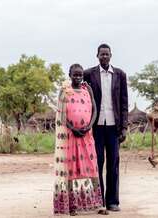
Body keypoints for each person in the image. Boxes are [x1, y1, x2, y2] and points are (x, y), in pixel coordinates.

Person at [53, 64, 107, 216]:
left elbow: (95, 109)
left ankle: (98, 204)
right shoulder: (65, 91)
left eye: (80, 75)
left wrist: (89, 126)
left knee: (92, 167)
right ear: (69, 75)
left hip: (87, 135)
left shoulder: (87, 89)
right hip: (71, 137)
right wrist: (74, 128)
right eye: (75, 75)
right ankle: (73, 206)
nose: (78, 77)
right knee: (72, 170)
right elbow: (62, 115)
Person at [84, 44, 129, 212]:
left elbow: (124, 102)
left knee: (113, 164)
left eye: (107, 54)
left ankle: (113, 201)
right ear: (97, 55)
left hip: (113, 127)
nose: (104, 57)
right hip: (95, 126)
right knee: (97, 164)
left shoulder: (120, 75)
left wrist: (124, 128)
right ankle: (99, 200)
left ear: (111, 55)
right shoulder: (89, 74)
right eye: (101, 54)